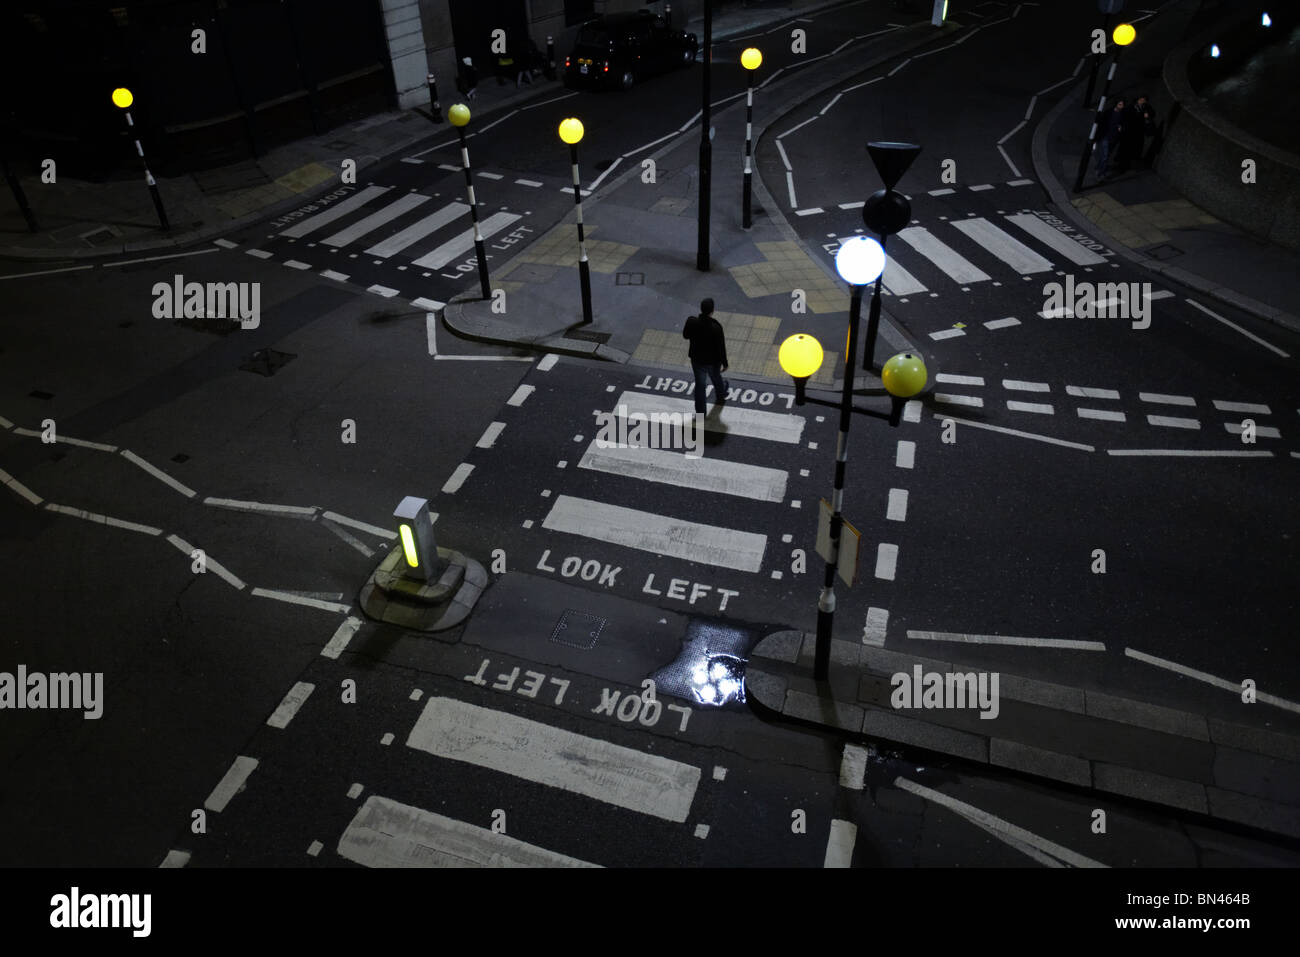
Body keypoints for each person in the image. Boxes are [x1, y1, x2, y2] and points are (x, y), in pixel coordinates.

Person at [682, 298, 729, 415]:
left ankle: (700, 414)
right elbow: (721, 347)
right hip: (713, 361)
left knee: (700, 385)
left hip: (697, 360)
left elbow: (685, 335)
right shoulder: (716, 327)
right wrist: (725, 363)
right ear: (712, 311)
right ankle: (721, 396)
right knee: (716, 377)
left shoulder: (691, 321)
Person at [1095, 98, 1125, 180]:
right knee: (1105, 156)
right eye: (1120, 104)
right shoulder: (1109, 112)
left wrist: (1120, 127)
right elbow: (1101, 124)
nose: (1121, 106)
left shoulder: (1122, 114)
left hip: (1114, 137)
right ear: (1116, 104)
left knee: (1106, 155)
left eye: (1122, 105)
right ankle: (1101, 172)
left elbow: (1122, 124)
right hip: (1105, 136)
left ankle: (1098, 167)